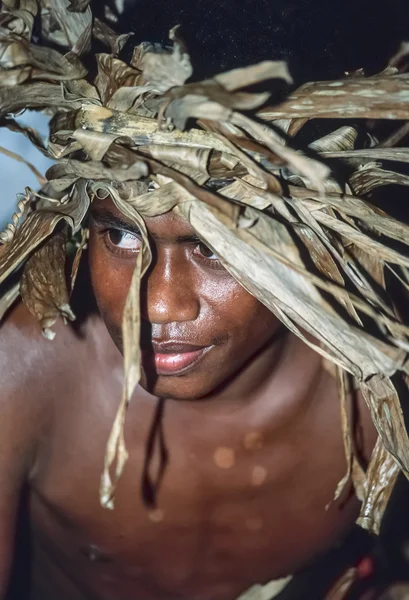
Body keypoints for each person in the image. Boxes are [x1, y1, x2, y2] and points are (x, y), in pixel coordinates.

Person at [1, 1, 409, 599]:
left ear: (316, 243)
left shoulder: (384, 378)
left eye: (215, 248)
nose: (159, 306)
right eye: (120, 235)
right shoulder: (26, 371)